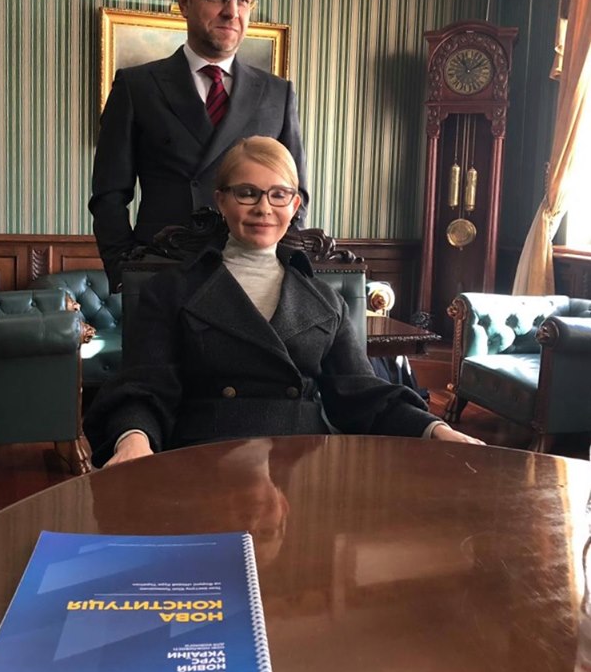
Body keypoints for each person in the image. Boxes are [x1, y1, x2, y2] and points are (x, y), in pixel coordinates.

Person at [84, 136, 483, 467]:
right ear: (221, 200)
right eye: (247, 193)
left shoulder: (326, 300)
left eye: (278, 195)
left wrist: (435, 429)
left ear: (294, 205)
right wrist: (133, 441)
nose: (263, 208)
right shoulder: (170, 291)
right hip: (203, 458)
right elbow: (145, 387)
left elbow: (361, 392)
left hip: (303, 463)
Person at [89, 0, 308, 290]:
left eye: (243, 0)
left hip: (252, 282)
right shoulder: (137, 86)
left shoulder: (277, 94)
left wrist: (284, 270)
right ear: (185, 2)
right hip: (164, 279)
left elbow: (297, 195)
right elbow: (109, 195)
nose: (232, 11)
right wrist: (125, 272)